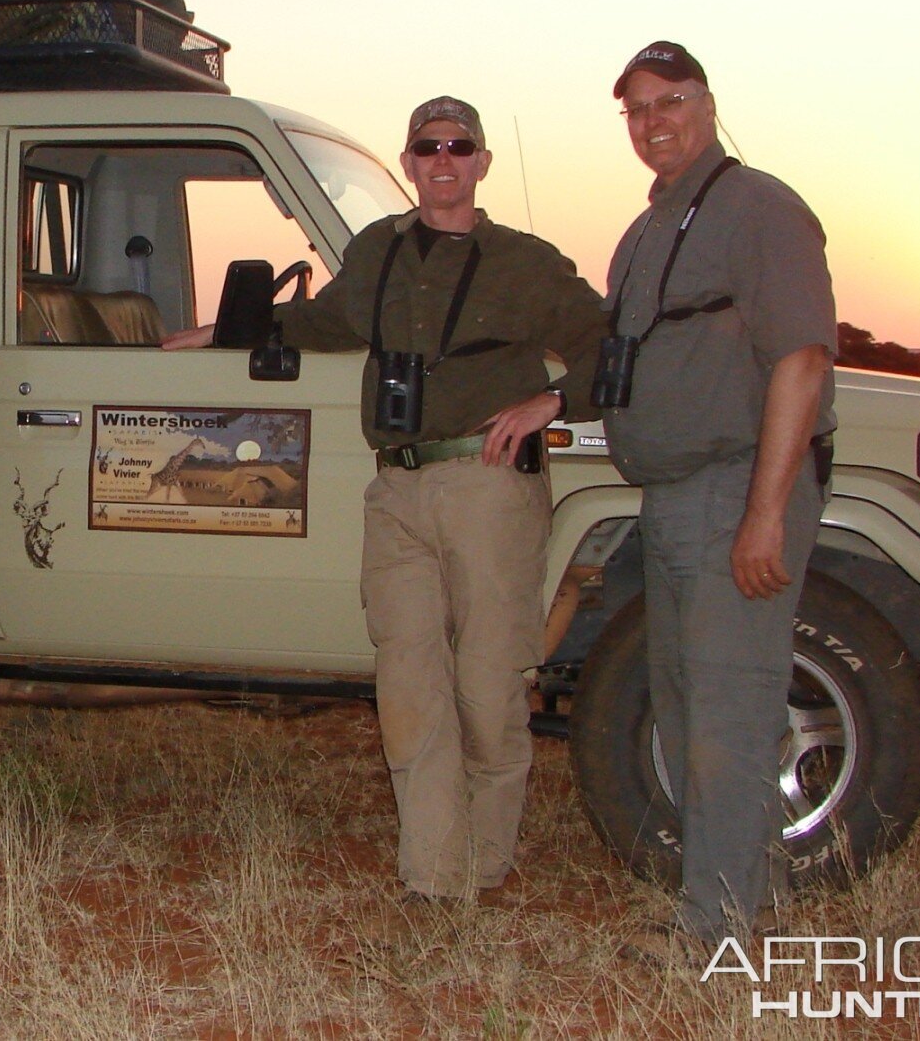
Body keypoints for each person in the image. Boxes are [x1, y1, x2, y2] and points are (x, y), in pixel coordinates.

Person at [167, 96, 606, 902]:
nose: (444, 160)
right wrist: (230, 328)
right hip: (396, 486)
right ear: (408, 163)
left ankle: (487, 861)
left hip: (486, 483)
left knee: (485, 683)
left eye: (459, 147)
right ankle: (433, 878)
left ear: (480, 163)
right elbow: (325, 321)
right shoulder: (377, 249)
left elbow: (603, 342)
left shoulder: (525, 261)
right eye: (428, 147)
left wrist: (552, 401)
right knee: (407, 685)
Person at [600, 41, 836, 946]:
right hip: (671, 497)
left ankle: (715, 932)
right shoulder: (653, 225)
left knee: (727, 715)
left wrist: (765, 513)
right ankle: (739, 902)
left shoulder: (758, 207)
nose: (653, 121)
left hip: (735, 488)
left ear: (706, 103)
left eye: (670, 102)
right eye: (636, 109)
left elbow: (802, 358)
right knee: (691, 707)